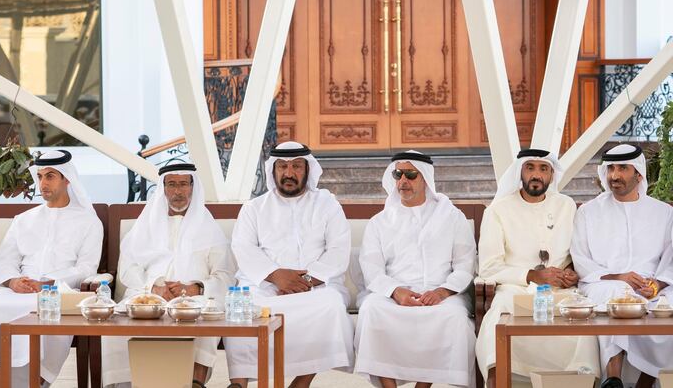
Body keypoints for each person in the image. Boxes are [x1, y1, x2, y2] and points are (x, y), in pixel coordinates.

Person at [0, 150, 103, 388]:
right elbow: (6, 259)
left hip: (60, 292)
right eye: (40, 177)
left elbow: (87, 267)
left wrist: (48, 282)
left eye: (50, 176)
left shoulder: (89, 222)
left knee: (41, 312)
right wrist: (13, 281)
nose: (43, 183)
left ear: (67, 178)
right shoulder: (24, 219)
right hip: (19, 290)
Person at [224, 141, 354, 388]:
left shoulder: (327, 204)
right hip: (264, 284)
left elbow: (338, 251)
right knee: (240, 311)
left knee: (331, 305)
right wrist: (276, 276)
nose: (289, 173)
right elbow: (243, 247)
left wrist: (304, 281)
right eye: (282, 166)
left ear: (308, 170)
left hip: (314, 286)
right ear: (273, 171)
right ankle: (238, 383)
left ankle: (302, 381)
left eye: (296, 166)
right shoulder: (254, 208)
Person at [102, 163, 235, 388]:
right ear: (163, 189)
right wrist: (153, 287)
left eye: (183, 184)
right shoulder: (146, 224)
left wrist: (196, 288)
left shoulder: (208, 226)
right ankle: (125, 383)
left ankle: (195, 382)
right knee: (114, 324)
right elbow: (127, 268)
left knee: (209, 312)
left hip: (195, 298)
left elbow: (225, 274)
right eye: (171, 184)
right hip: (148, 296)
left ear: (193, 187)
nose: (177, 191)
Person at [476, 148, 599, 386]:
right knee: (499, 314)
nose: (536, 174)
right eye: (530, 167)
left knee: (583, 317)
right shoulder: (498, 210)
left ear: (552, 175)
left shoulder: (567, 205)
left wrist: (572, 272)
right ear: (520, 171)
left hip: (560, 291)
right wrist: (532, 275)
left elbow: (575, 254)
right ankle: (497, 378)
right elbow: (488, 268)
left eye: (544, 169)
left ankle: (580, 379)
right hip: (515, 289)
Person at [354, 151, 476, 388]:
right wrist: (395, 292)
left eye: (411, 175)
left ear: (426, 180)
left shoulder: (451, 217)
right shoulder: (380, 221)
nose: (403, 182)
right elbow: (371, 268)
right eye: (398, 175)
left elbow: (465, 263)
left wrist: (442, 292)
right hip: (393, 295)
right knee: (371, 310)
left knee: (454, 318)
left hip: (441, 294)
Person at [571, 144, 673, 388]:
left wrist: (656, 285)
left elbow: (671, 259)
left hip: (654, 286)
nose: (614, 175)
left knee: (667, 307)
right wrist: (620, 277)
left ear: (638, 174)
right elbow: (581, 259)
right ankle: (613, 377)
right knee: (619, 296)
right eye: (611, 169)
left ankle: (644, 384)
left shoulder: (663, 213)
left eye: (622, 169)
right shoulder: (588, 212)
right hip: (603, 282)